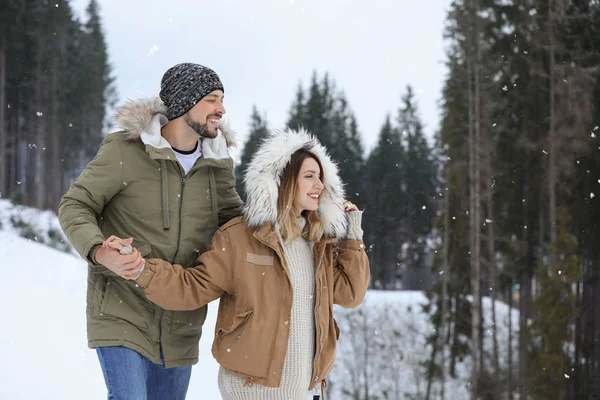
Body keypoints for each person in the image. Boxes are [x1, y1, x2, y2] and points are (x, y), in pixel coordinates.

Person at [103, 129, 370, 399]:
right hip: (251, 390)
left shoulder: (318, 243)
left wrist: (353, 236)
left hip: (304, 391)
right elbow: (193, 287)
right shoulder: (240, 237)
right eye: (310, 176)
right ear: (283, 180)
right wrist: (141, 269)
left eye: (321, 178)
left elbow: (350, 294)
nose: (319, 185)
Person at [58, 62, 243, 400]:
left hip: (181, 319)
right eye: (212, 100)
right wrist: (99, 251)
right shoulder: (125, 151)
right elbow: (75, 205)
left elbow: (236, 229)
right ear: (185, 103)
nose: (221, 109)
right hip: (121, 307)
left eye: (222, 99)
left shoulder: (218, 168)